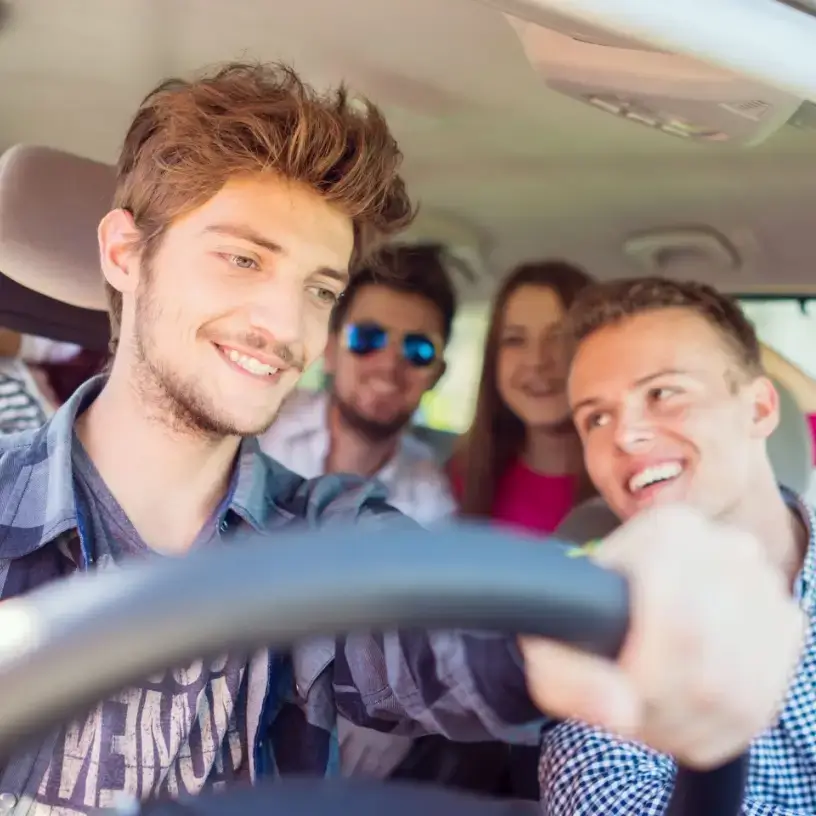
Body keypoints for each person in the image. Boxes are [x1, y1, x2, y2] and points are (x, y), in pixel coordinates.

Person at [0, 61, 804, 815]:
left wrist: (583, 632)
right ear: (125, 252)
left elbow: (438, 637)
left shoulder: (331, 535)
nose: (286, 326)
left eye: (319, 290)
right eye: (242, 259)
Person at [531, 277, 816, 815]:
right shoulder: (594, 629)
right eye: (596, 417)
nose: (625, 435)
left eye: (663, 393)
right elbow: (604, 800)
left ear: (758, 409)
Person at [260, 242, 456, 528]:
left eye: (419, 350)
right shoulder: (259, 425)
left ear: (437, 374)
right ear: (328, 351)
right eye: (367, 337)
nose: (389, 365)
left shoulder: (431, 502)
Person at [450, 261, 595, 535]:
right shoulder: (457, 481)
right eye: (515, 340)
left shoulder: (630, 481)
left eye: (560, 337)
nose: (537, 361)